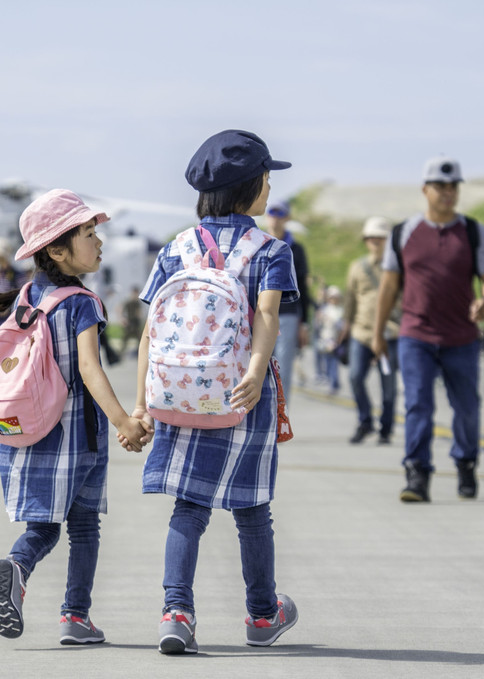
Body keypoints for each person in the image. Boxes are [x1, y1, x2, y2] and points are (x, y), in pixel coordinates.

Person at [131, 129, 299, 654]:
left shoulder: (176, 248)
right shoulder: (270, 249)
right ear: (249, 189)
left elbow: (150, 331)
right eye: (266, 179)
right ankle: (261, 616)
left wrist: (142, 402)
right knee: (253, 510)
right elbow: (267, 316)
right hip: (241, 396)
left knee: (189, 507)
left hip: (180, 395)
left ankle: (176, 612)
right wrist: (254, 369)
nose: (269, 189)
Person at [0, 189, 151, 647]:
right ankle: (74, 616)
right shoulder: (81, 302)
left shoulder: (27, 297)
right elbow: (89, 368)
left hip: (30, 432)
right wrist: (123, 422)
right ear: (57, 250)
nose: (99, 242)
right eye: (89, 234)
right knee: (83, 528)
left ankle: (18, 567)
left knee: (41, 525)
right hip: (78, 437)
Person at [373, 156, 484, 503]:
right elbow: (388, 287)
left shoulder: (474, 232)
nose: (448, 193)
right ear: (425, 190)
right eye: (440, 187)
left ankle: (465, 462)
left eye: (453, 187)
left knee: (467, 407)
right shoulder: (404, 233)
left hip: (461, 337)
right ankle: (417, 473)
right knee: (417, 403)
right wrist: (376, 334)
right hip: (415, 334)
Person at [340, 217, 400, 444]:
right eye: (371, 238)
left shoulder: (397, 267)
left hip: (390, 333)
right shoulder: (357, 267)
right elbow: (350, 300)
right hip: (361, 332)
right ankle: (365, 421)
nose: (375, 242)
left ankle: (386, 428)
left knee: (389, 386)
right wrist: (345, 327)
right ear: (366, 240)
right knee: (355, 377)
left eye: (380, 238)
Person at [262, 201, 311, 400]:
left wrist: (305, 323)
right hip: (260, 315)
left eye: (280, 214)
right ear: (266, 217)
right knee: (260, 367)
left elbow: (303, 288)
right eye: (272, 214)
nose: (276, 218)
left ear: (287, 218)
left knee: (282, 370)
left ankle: (281, 419)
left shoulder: (296, 249)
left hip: (288, 314)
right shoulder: (258, 244)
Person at [315, 286, 344, 395]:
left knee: (334, 362)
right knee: (327, 362)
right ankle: (332, 381)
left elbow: (341, 326)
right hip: (325, 339)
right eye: (332, 297)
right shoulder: (325, 309)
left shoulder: (340, 310)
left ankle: (334, 383)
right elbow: (318, 325)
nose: (333, 299)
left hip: (335, 339)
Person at [119, 285, 144, 357]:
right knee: (125, 339)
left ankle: (140, 353)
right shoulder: (128, 301)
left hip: (136, 323)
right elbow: (120, 309)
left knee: (140, 339)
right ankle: (120, 354)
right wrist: (122, 318)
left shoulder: (137, 302)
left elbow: (139, 312)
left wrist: (140, 318)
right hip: (129, 322)